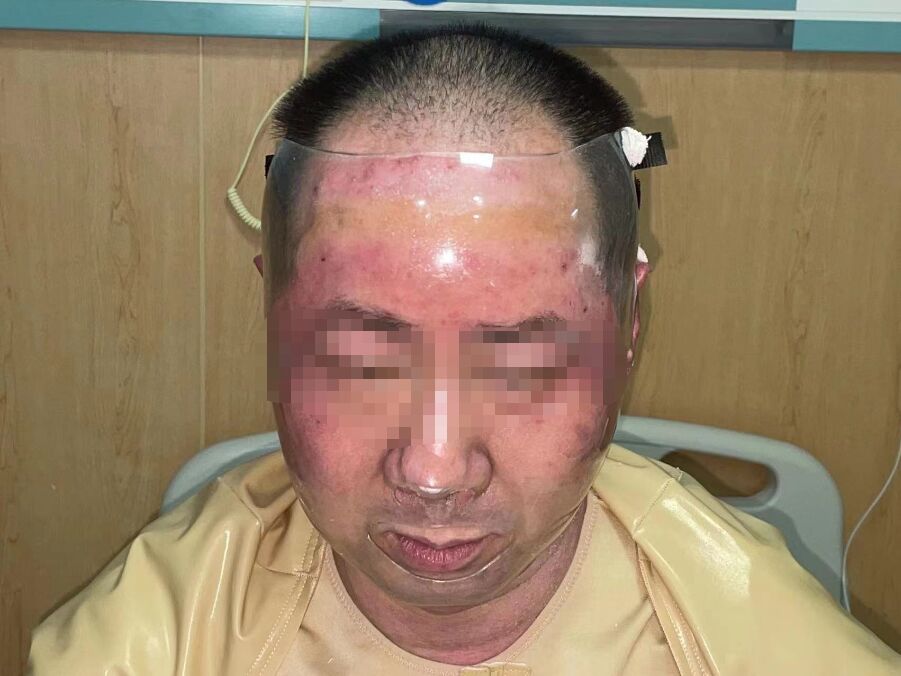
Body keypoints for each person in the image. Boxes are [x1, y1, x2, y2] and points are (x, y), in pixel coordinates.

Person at [28, 24, 901, 675]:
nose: (435, 472)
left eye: (522, 362)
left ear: (626, 326)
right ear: (272, 321)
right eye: (358, 357)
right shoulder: (141, 646)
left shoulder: (765, 646)